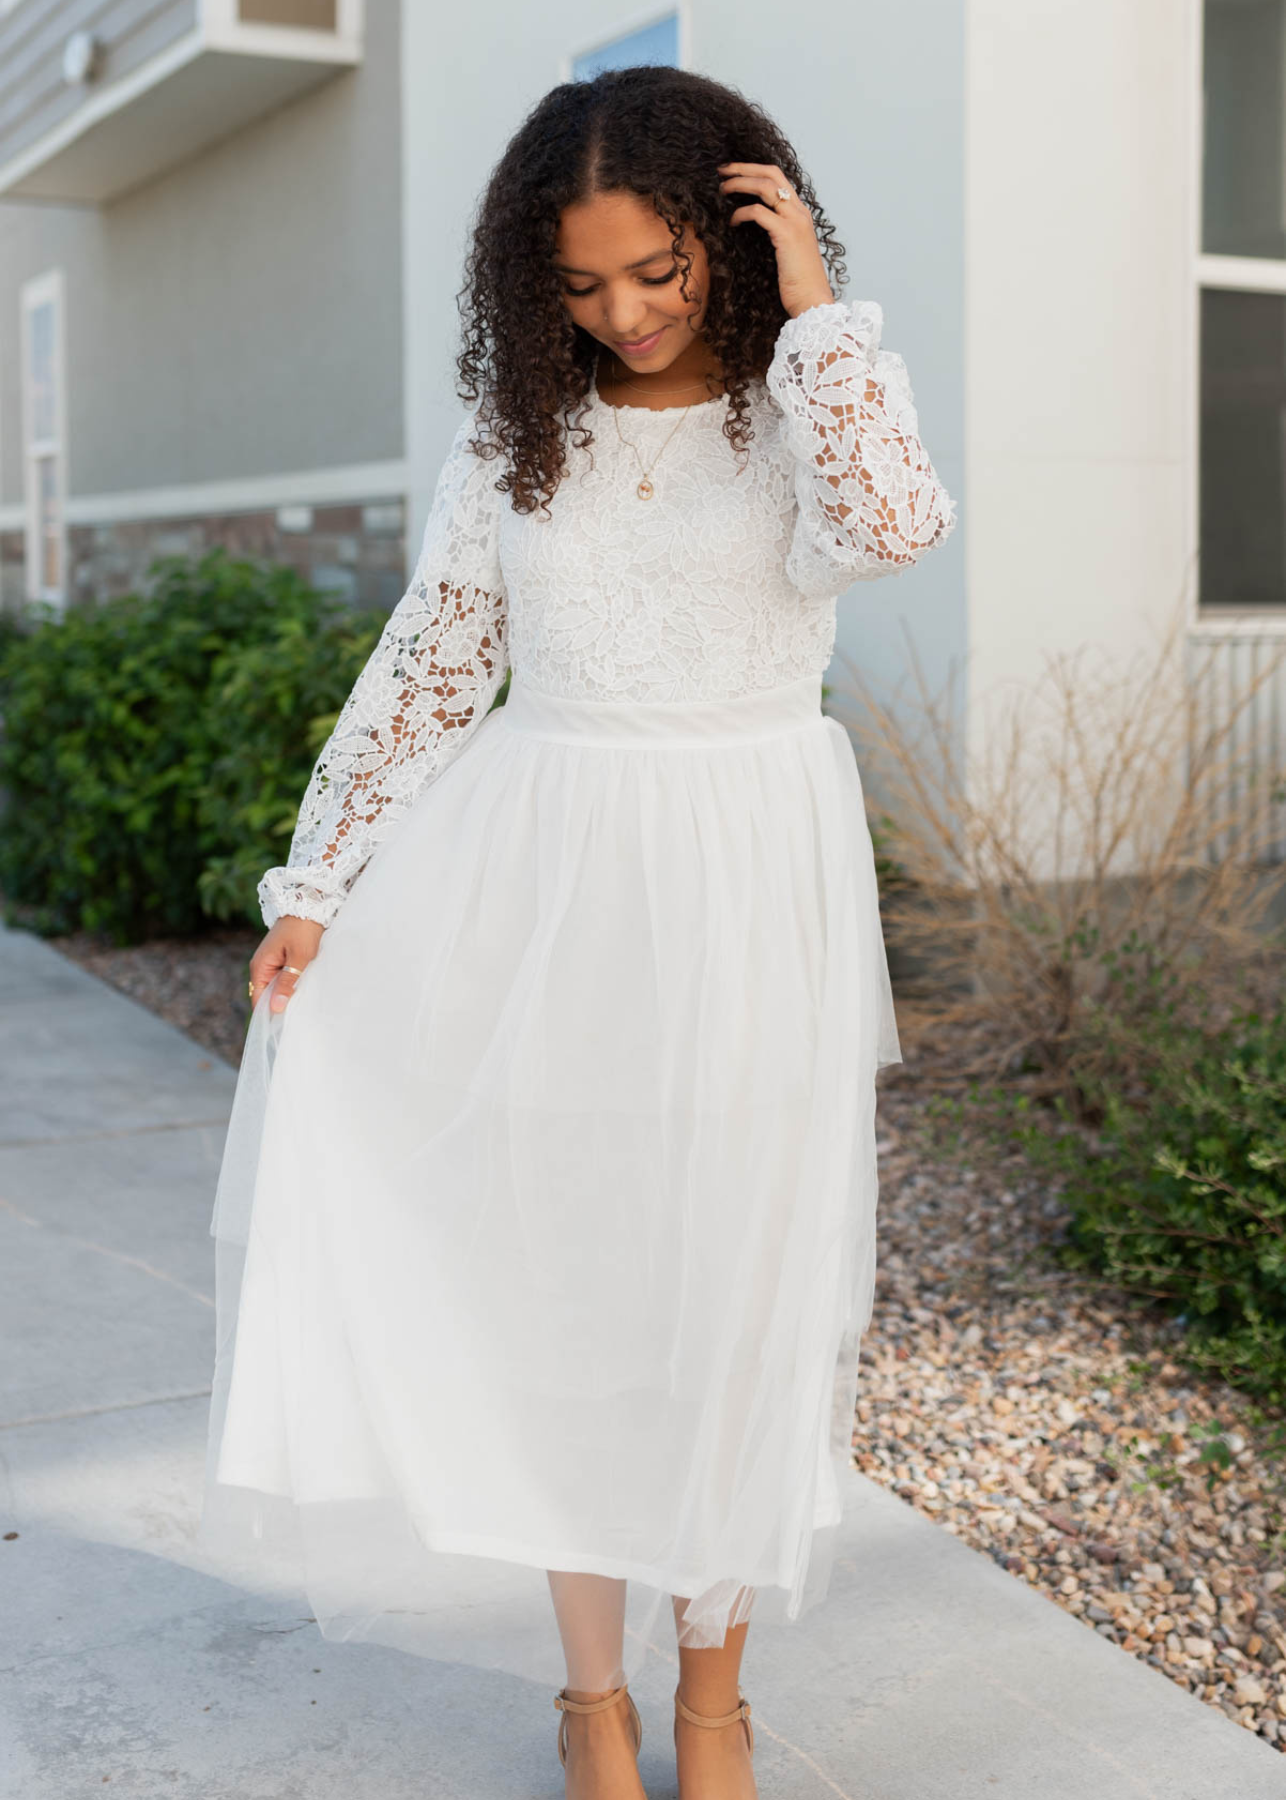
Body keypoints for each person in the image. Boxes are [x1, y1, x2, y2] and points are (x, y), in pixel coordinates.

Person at [199, 63, 956, 1800]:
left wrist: (821, 314)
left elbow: (897, 524)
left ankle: (714, 1700)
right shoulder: (516, 438)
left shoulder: (802, 406)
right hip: (544, 875)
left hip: (747, 873)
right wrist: (317, 883)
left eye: (660, 273)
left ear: (734, 240)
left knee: (734, 1293)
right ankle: (591, 1701)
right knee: (574, 1288)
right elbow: (439, 657)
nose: (620, 314)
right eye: (580, 286)